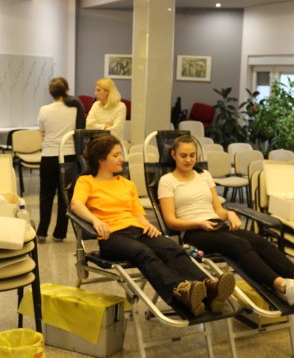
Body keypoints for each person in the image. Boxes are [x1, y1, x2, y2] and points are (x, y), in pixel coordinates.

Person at [158, 135, 294, 306]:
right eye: (183, 155)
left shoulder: (204, 175)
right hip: (194, 233)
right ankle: (283, 286)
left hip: (216, 225)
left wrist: (229, 214)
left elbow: (218, 210)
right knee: (239, 245)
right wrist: (199, 223)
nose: (188, 160)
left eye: (192, 155)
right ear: (173, 155)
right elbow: (171, 221)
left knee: (260, 242)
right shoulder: (167, 181)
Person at [70, 134, 235, 316]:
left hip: (138, 231)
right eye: (116, 155)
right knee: (144, 253)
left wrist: (148, 225)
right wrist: (96, 220)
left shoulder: (127, 184)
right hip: (112, 236)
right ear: (101, 159)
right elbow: (76, 204)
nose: (121, 159)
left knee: (171, 248)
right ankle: (181, 291)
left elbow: (137, 214)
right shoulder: (86, 181)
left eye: (120, 154)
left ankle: (209, 288)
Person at [37, 77, 77, 243]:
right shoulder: (74, 110)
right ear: (66, 90)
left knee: (46, 195)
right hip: (68, 155)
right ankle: (60, 233)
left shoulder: (44, 110)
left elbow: (42, 131)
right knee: (65, 196)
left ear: (51, 92)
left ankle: (42, 232)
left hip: (49, 156)